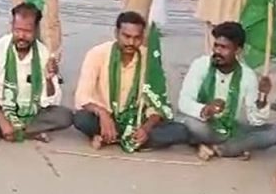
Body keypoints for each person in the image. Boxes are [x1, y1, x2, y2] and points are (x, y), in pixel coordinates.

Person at [72, 11, 189, 151]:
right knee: (81, 119)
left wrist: (145, 128)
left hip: (137, 121)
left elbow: (157, 102)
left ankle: (111, 138)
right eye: (126, 37)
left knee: (180, 131)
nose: (131, 43)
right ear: (116, 33)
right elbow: (82, 97)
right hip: (106, 118)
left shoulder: (149, 59)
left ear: (142, 37)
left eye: (137, 38)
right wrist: (103, 114)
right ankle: (120, 137)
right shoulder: (97, 54)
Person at [178, 22, 276, 160]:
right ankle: (232, 148)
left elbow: (255, 121)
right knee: (192, 125)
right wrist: (206, 110)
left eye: (224, 48)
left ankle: (215, 147)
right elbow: (184, 102)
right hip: (204, 124)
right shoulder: (200, 65)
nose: (217, 52)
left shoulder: (247, 75)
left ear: (238, 50)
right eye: (216, 46)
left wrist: (262, 97)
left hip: (231, 128)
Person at [0, 3, 73, 142]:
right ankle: (27, 132)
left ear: (36, 30)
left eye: (27, 31)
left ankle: (15, 132)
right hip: (1, 110)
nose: (21, 36)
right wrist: (2, 121)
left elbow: (51, 101)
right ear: (11, 27)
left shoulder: (43, 54)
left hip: (31, 112)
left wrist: (50, 80)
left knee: (65, 116)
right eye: (17, 30)